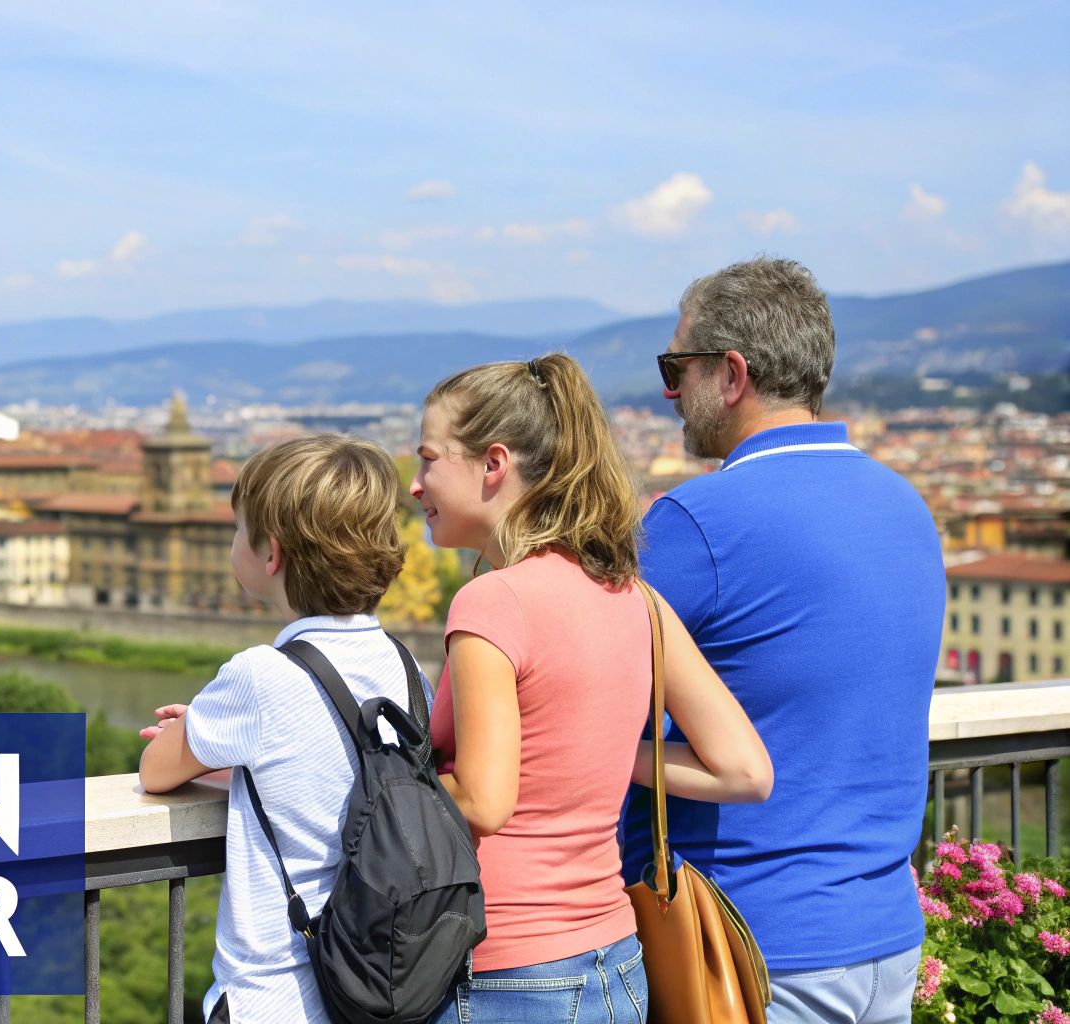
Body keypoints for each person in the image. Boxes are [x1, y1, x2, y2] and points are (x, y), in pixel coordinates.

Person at [623, 257, 945, 1023]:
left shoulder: (698, 522)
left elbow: (588, 689)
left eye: (678, 369)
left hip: (750, 947)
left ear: (731, 374)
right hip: (887, 938)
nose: (670, 394)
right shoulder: (907, 509)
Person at [414, 353, 773, 1024]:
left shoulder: (492, 601)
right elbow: (747, 770)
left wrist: (368, 784)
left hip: (507, 968)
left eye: (429, 459)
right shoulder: (634, 598)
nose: (414, 485)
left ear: (495, 464)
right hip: (614, 960)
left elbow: (485, 804)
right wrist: (593, 756)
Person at [139, 433, 423, 1024]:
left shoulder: (258, 675)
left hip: (273, 995)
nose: (233, 542)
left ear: (271, 555)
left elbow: (157, 771)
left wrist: (200, 733)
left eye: (239, 530)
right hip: (384, 981)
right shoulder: (406, 665)